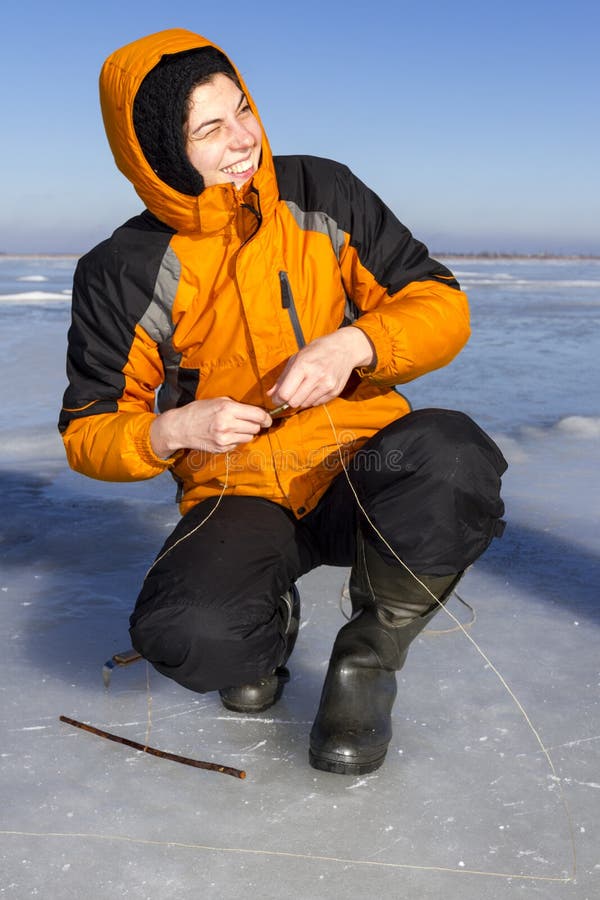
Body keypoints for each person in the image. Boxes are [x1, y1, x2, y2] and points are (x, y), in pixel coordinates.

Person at [59, 28, 507, 776]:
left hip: (361, 464)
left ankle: (368, 659)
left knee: (453, 458)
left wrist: (354, 344)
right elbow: (88, 430)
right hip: (236, 488)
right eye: (209, 129)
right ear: (157, 151)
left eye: (242, 109)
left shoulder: (320, 192)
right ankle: (266, 626)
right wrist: (173, 428)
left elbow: (437, 301)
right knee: (189, 634)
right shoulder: (119, 270)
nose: (243, 138)